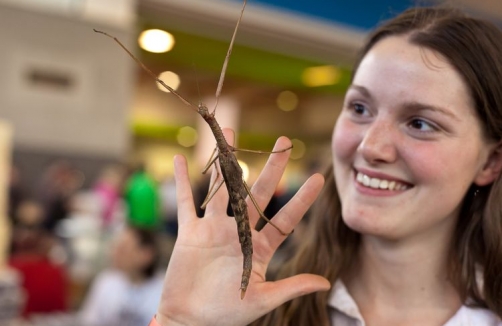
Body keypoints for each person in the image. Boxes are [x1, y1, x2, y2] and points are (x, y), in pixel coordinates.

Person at [150, 6, 502, 326]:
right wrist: (180, 323)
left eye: (421, 123)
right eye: (360, 108)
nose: (370, 146)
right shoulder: (264, 309)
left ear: (490, 161)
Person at [79, 225, 163, 326]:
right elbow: (89, 321)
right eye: (114, 247)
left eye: (123, 249)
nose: (114, 253)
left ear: (146, 254)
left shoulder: (163, 289)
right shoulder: (106, 281)